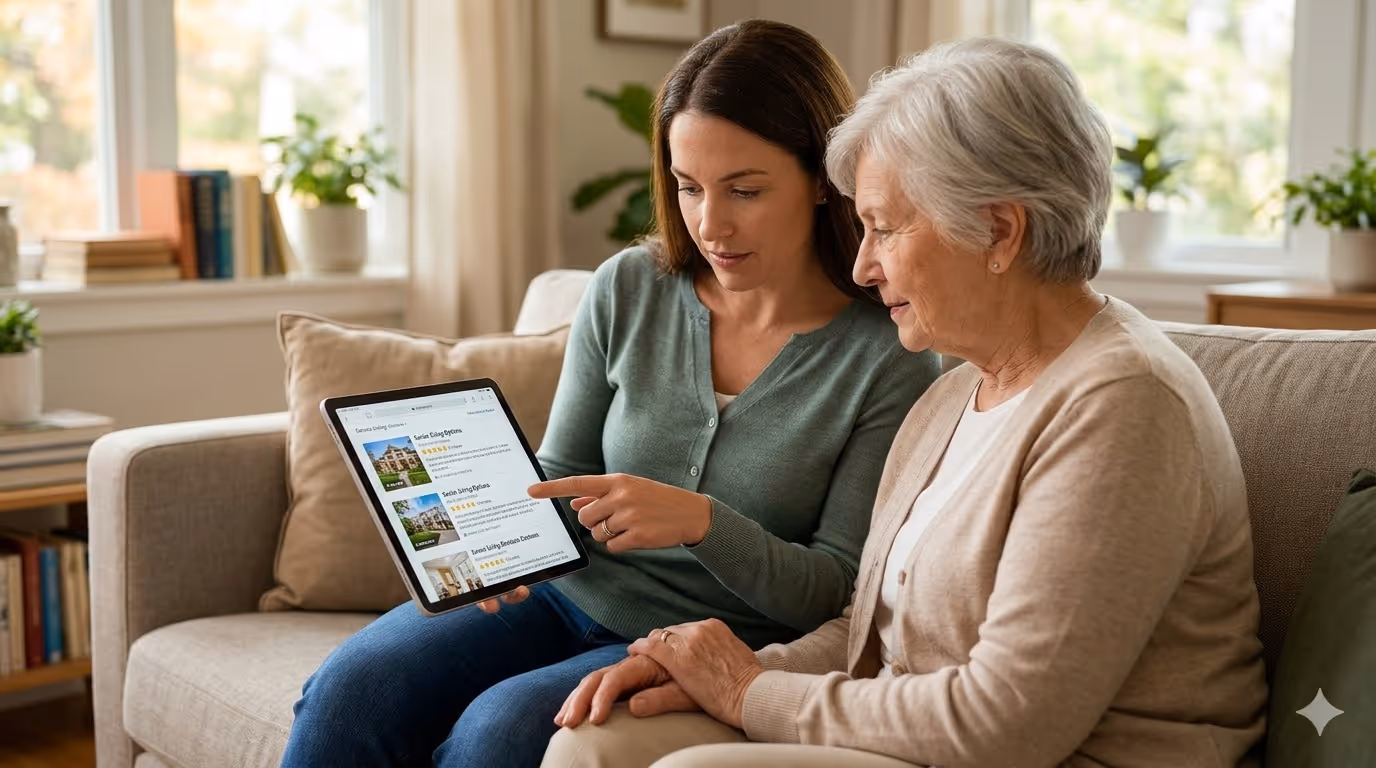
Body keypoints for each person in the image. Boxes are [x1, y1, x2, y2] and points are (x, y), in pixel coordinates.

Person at [544, 37, 1269, 768]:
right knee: (593, 744)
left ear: (999, 230)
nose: (862, 264)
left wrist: (747, 693)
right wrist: (721, 670)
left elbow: (1007, 726)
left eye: (885, 228)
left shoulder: (1122, 405)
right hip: (905, 730)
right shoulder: (958, 392)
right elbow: (868, 628)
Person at [278, 19, 940, 768]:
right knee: (349, 688)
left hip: (708, 638)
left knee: (494, 737)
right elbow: (560, 466)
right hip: (565, 591)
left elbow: (835, 590)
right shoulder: (629, 287)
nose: (710, 224)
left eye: (745, 190)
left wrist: (700, 522)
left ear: (824, 179)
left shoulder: (889, 358)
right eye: (689, 187)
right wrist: (479, 543)